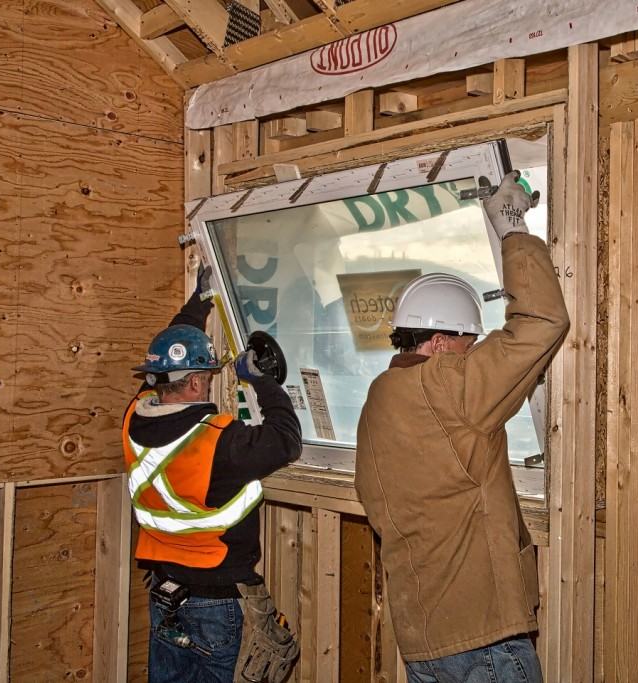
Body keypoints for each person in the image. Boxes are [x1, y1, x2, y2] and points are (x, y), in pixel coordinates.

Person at [355, 171, 570, 683]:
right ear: (438, 342)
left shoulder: (377, 403)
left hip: (424, 640)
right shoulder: (448, 386)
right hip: (483, 641)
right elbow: (541, 320)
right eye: (467, 343)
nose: (471, 353)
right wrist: (512, 228)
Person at [123, 265, 303, 683]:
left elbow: (169, 354)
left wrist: (198, 304)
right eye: (205, 378)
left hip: (165, 595)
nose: (207, 385)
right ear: (196, 383)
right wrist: (263, 384)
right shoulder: (217, 441)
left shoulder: (134, 418)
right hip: (216, 601)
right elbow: (285, 439)